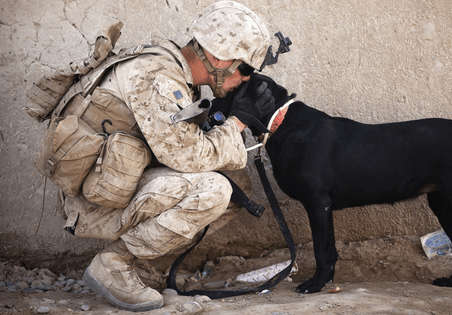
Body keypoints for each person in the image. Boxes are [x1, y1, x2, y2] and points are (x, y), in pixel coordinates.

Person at [56, 1, 285, 311]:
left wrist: (223, 115)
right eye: (244, 69)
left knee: (237, 188)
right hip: (90, 204)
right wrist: (237, 122)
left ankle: (139, 263)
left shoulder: (172, 73)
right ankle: (115, 264)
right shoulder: (158, 77)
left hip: (113, 184)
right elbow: (189, 157)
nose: (245, 79)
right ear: (217, 57)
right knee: (216, 190)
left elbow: (179, 144)